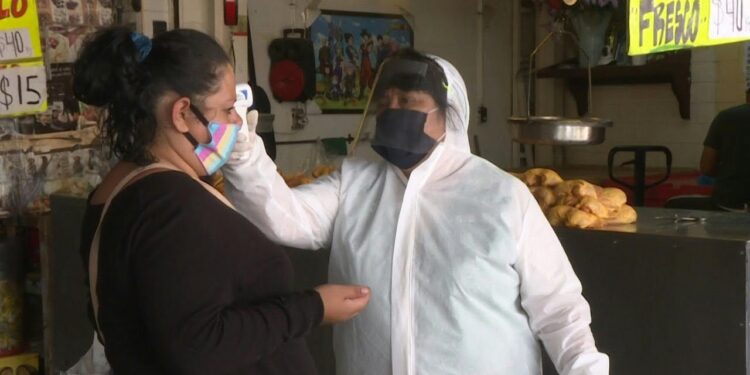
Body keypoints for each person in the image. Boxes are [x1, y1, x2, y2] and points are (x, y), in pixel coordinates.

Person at [222, 49, 608, 374]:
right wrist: (241, 152)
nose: (393, 111)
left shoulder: (502, 197)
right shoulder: (355, 183)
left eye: (408, 102)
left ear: (448, 112)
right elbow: (282, 216)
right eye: (385, 102)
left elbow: (559, 309)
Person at [70, 27, 370, 374]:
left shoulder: (118, 188)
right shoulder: (171, 204)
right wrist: (315, 307)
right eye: (227, 108)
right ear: (182, 113)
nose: (236, 121)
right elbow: (199, 345)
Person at [699, 88, 750, 211]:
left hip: (730, 201)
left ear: (747, 95)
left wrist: (730, 171)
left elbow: (706, 166)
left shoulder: (725, 117)